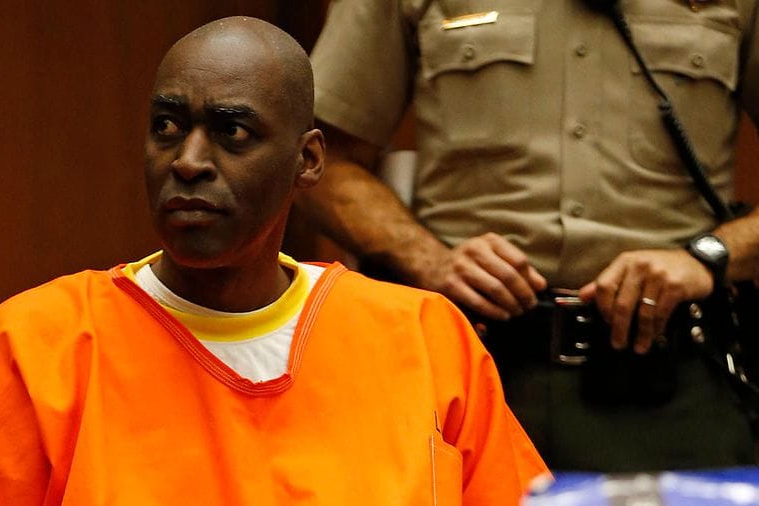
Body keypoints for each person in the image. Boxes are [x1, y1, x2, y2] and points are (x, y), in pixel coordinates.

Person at [0, 16, 547, 506]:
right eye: (167, 126)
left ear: (308, 161)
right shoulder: (27, 350)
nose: (187, 160)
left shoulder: (424, 341)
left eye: (231, 132)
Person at [297, 0, 759, 472]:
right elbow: (315, 159)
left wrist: (711, 257)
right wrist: (426, 257)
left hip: (672, 380)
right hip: (464, 371)